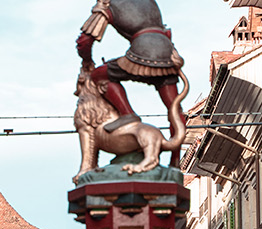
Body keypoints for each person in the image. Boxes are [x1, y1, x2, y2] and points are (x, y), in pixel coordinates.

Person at [75, 0, 186, 138]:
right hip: (167, 53)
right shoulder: (150, 2)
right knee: (175, 109)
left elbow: (84, 41)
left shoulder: (108, 3)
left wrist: (87, 60)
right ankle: (175, 157)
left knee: (99, 74)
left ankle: (127, 114)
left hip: (142, 51)